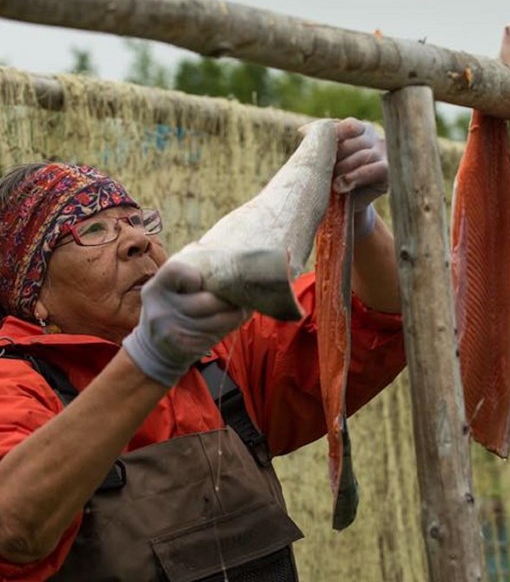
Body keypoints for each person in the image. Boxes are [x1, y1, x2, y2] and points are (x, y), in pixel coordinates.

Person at [0, 117, 405, 581]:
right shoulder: (15, 385)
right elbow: (13, 529)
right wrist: (153, 357)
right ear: (35, 295)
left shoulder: (219, 353)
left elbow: (377, 319)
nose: (137, 241)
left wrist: (358, 217)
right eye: (91, 231)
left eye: (137, 221)